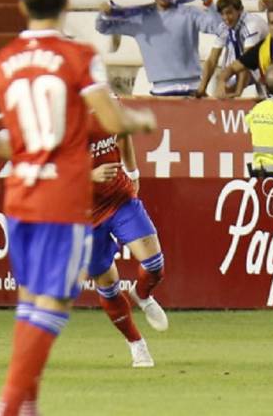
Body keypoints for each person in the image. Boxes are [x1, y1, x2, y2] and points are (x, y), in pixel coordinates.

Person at [0, 0, 155, 416]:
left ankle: (27, 406)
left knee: (30, 303)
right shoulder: (78, 58)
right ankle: (7, 406)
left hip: (19, 197)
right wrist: (141, 120)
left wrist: (12, 150)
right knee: (53, 305)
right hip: (63, 199)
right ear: (66, 5)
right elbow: (112, 120)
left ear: (22, 6)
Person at [85, 105, 168, 369]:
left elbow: (123, 132)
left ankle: (142, 294)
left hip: (119, 199)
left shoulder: (106, 102)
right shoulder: (60, 117)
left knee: (154, 263)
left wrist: (132, 173)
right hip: (83, 214)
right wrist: (90, 175)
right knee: (108, 284)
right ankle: (136, 344)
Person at [95, 0, 223, 96]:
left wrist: (208, 1)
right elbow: (103, 27)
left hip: (193, 89)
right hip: (161, 91)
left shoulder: (190, 13)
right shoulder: (140, 19)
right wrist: (103, 13)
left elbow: (219, 27)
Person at [218, 2, 273, 96]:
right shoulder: (263, 48)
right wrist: (221, 82)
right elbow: (232, 68)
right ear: (269, 26)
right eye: (272, 23)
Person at [196, 0, 267, 98]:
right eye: (222, 14)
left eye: (229, 13)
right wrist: (201, 89)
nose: (226, 18)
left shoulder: (251, 25)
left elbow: (246, 62)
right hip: (246, 58)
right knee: (223, 88)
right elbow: (212, 60)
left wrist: (237, 92)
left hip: (265, 62)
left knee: (268, 98)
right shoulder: (224, 26)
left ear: (240, 10)